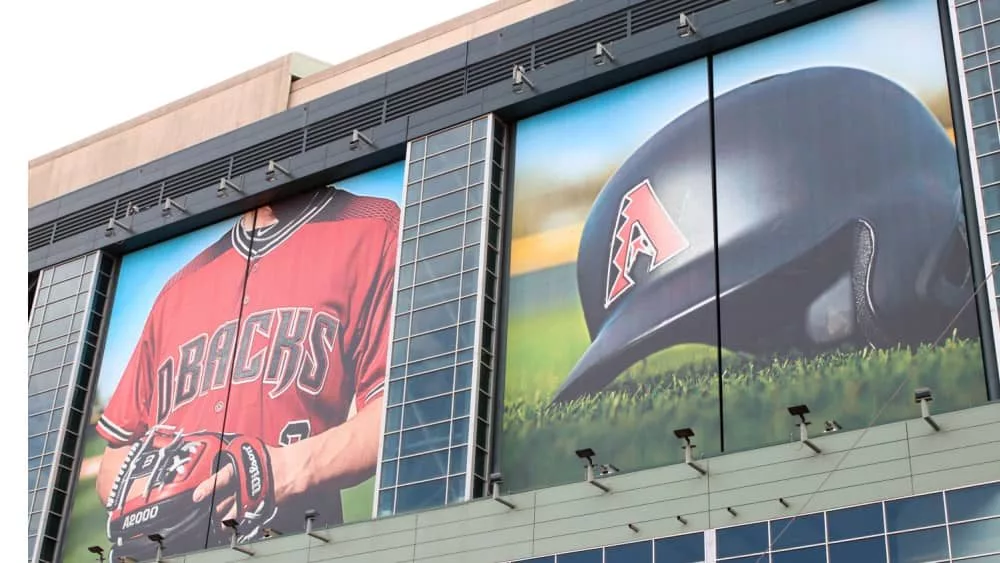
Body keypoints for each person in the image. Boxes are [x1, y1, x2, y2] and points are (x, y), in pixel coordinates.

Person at [92, 184, 399, 556]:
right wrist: (157, 504)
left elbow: (399, 408)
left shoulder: (373, 227)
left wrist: (278, 471)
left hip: (297, 545)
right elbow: (118, 451)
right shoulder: (178, 288)